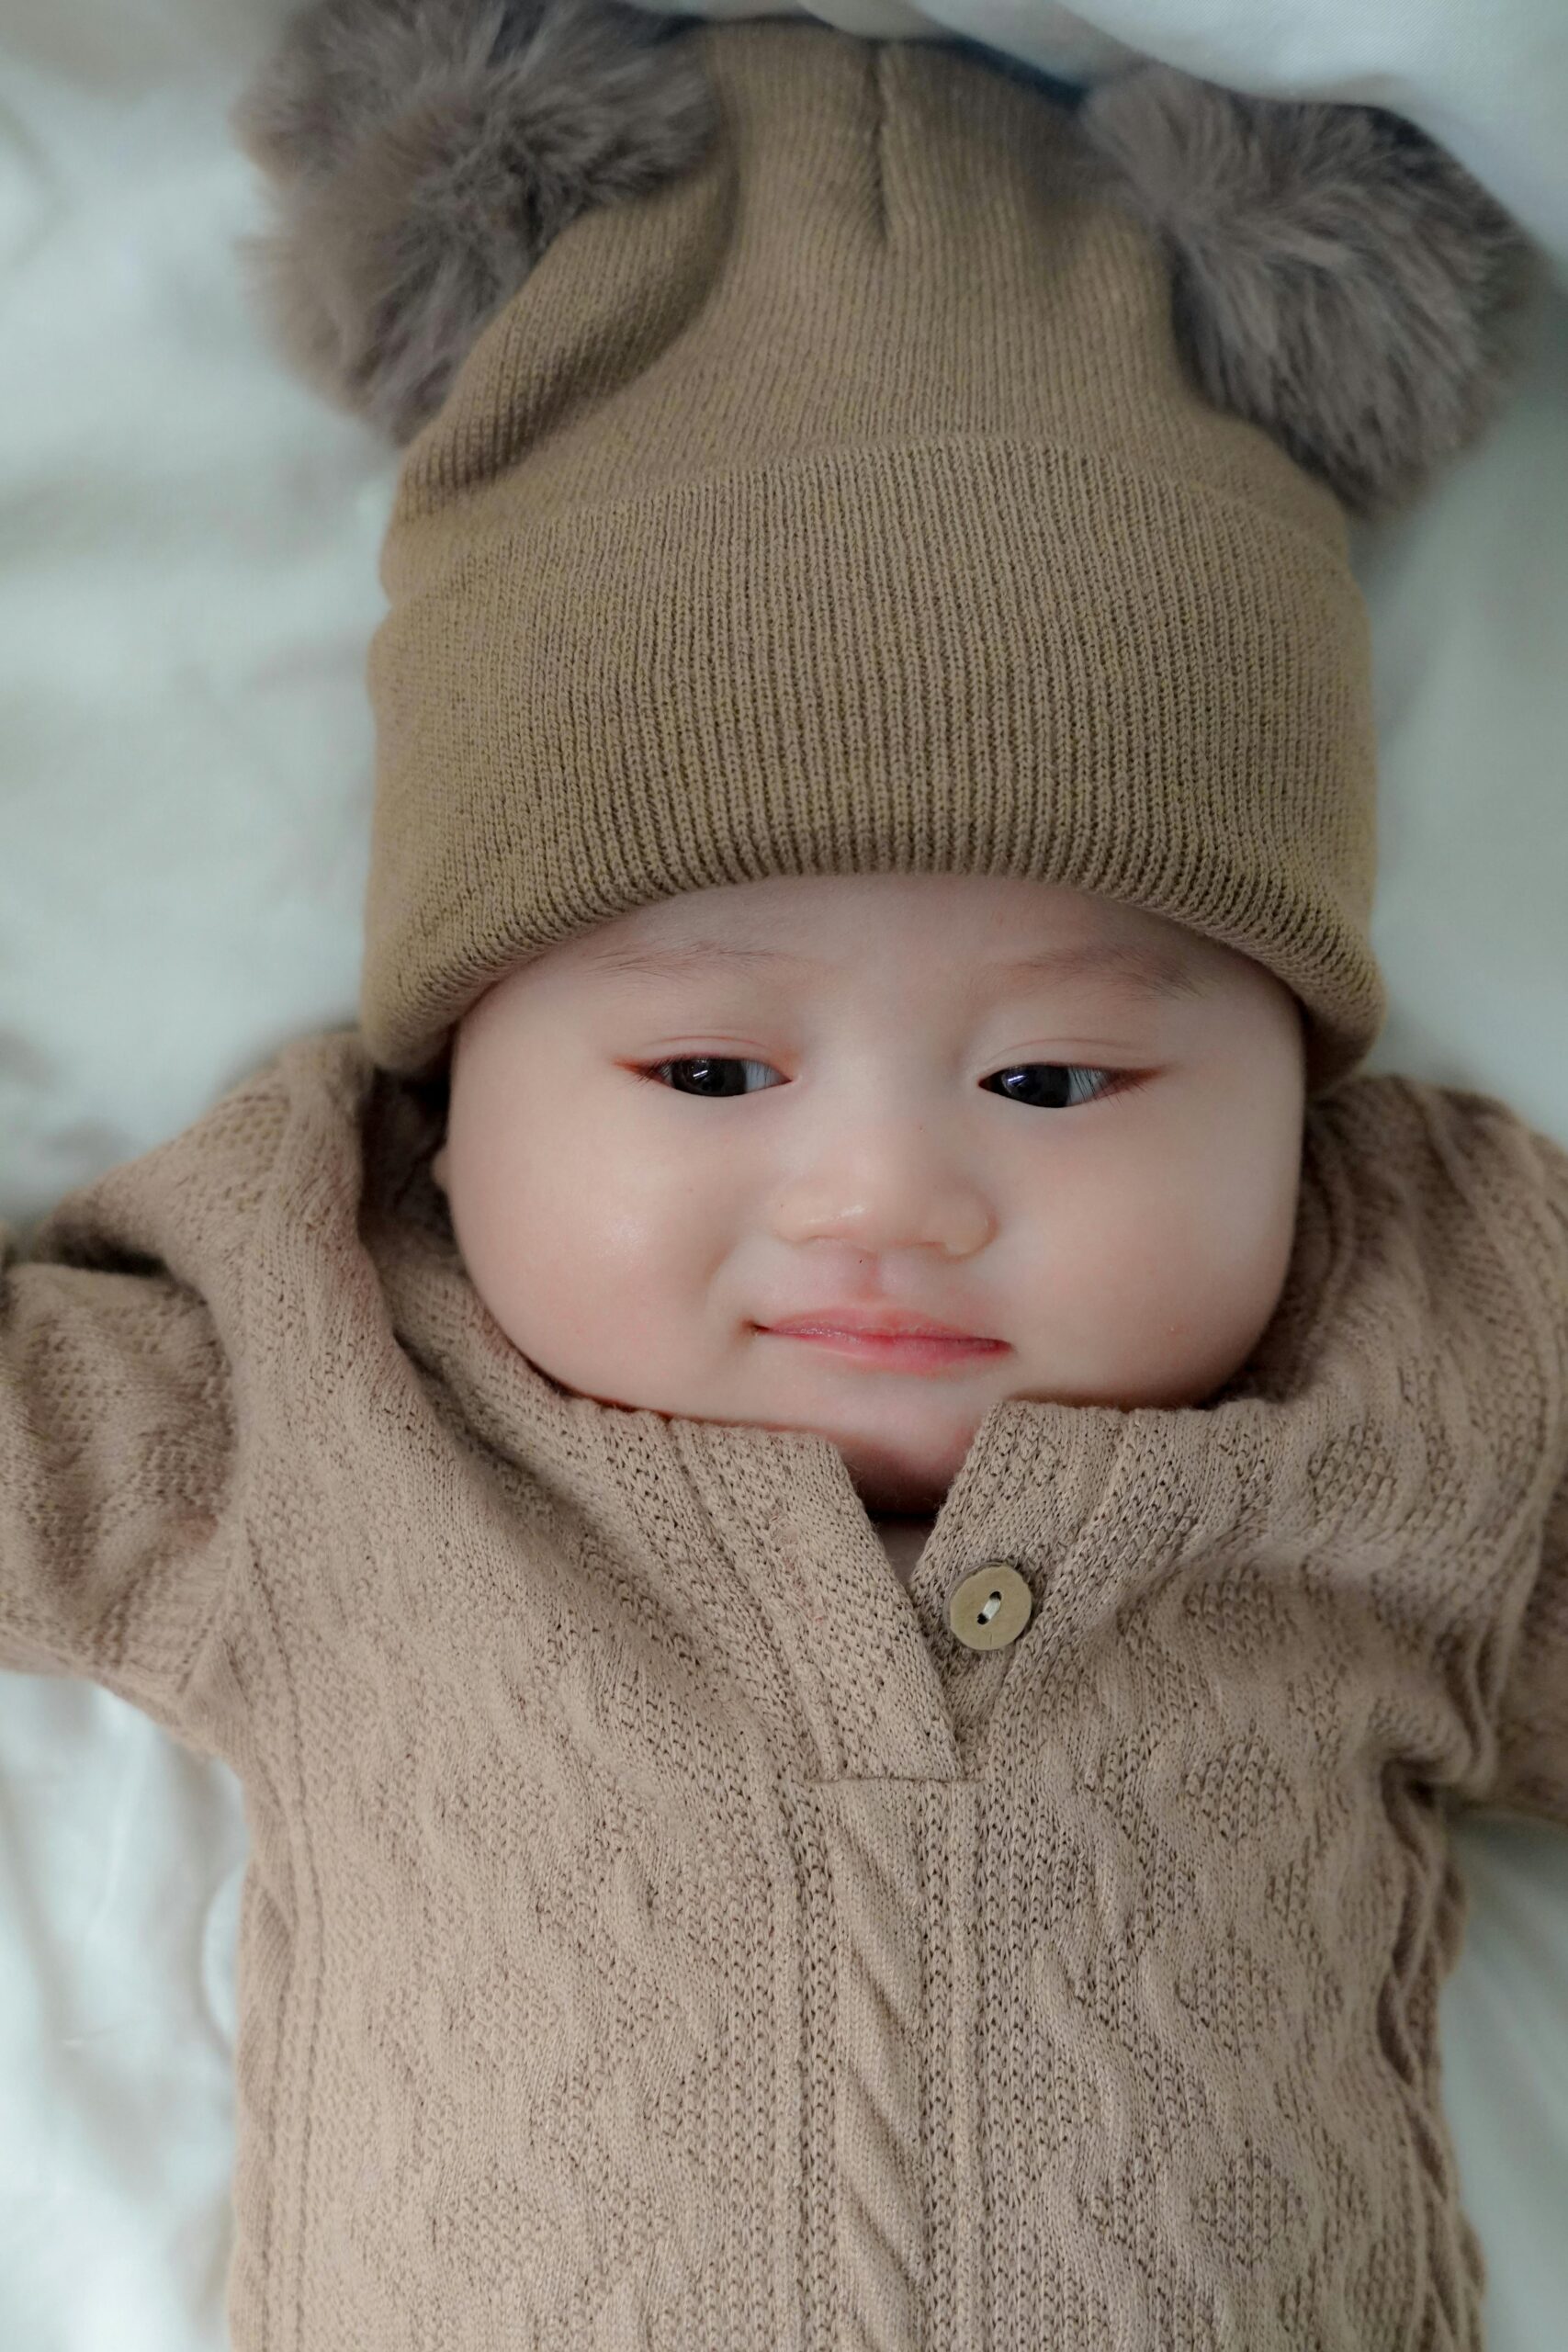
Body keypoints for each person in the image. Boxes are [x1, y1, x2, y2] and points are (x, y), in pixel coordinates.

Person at [3, 1, 1563, 2341]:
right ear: (454, 1097)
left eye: (1054, 1078)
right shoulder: (317, 1388)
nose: (883, 1196)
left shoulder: (1433, 1384)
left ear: (1295, 1111)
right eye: (711, 1065)